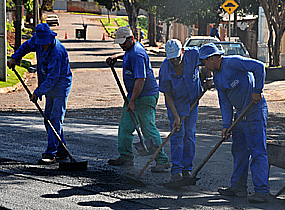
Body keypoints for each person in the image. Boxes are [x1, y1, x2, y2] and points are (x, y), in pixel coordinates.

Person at [199, 43, 270, 203]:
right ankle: (238, 187)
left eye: (205, 62)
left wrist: (257, 90)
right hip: (240, 116)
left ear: (212, 59)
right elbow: (224, 102)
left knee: (257, 152)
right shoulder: (217, 77)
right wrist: (226, 125)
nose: (205, 66)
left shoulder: (233, 62)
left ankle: (262, 191)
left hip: (254, 111)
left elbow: (259, 67)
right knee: (239, 151)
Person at [106, 26, 170, 172]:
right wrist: (116, 57)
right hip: (134, 95)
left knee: (148, 128)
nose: (122, 45)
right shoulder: (130, 50)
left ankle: (162, 160)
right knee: (125, 126)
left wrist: (133, 101)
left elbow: (140, 80)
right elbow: (126, 53)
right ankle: (126, 156)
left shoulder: (137, 54)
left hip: (145, 96)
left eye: (124, 42)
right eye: (120, 43)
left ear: (132, 39)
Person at [7, 23, 72, 165]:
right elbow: (25, 47)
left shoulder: (57, 52)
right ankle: (61, 148)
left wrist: (37, 92)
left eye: (45, 44)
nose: (43, 46)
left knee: (54, 119)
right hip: (48, 86)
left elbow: (53, 78)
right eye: (41, 44)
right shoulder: (37, 40)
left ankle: (51, 153)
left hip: (60, 86)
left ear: (50, 38)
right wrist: (14, 57)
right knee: (48, 118)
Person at [159, 39, 204, 181]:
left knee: (189, 135)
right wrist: (176, 116)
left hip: (192, 101)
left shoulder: (194, 54)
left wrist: (208, 77)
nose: (175, 61)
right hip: (176, 104)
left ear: (182, 52)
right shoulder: (165, 68)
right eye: (172, 59)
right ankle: (176, 171)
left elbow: (209, 60)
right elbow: (167, 94)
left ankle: (187, 169)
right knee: (178, 134)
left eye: (177, 58)